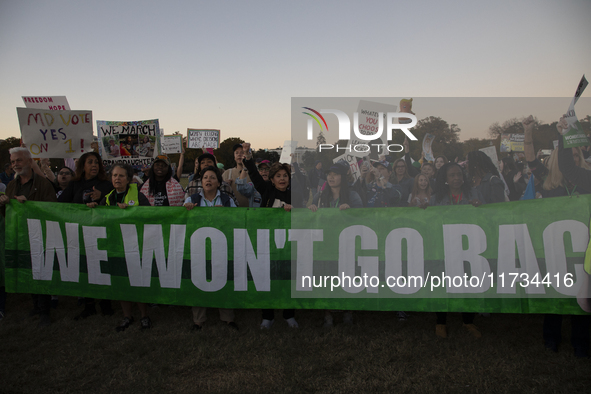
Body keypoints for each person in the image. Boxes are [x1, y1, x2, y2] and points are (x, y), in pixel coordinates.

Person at [87, 163, 152, 330]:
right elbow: (99, 218)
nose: (117, 179)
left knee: (137, 281)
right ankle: (127, 316)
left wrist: (130, 212)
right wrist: (94, 208)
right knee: (122, 281)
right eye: (115, 175)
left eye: (121, 176)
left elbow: (150, 216)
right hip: (115, 245)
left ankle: (144, 316)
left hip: (135, 244)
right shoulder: (108, 197)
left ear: (128, 179)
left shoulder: (138, 196)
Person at [0, 147, 57, 327]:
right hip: (20, 235)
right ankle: (36, 306)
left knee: (41, 271)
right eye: (13, 161)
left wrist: (30, 205)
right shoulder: (11, 185)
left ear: (29, 161)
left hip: (39, 234)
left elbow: (51, 209)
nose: (16, 164)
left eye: (19, 160)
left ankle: (45, 310)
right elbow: (6, 214)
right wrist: (3, 204)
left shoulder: (42, 183)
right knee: (29, 270)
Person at [242, 143, 297, 329]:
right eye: (278, 176)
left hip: (288, 244)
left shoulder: (295, 195)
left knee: (288, 279)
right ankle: (268, 316)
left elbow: (303, 216)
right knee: (267, 279)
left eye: (285, 176)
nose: (282, 179)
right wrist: (248, 157)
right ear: (272, 180)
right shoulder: (266, 190)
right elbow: (254, 175)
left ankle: (289, 314)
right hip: (267, 242)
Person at [427, 162, 483, 338]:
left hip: (468, 245)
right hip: (445, 244)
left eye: (459, 174)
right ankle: (441, 322)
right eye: (452, 175)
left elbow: (487, 214)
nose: (457, 178)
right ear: (445, 178)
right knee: (443, 284)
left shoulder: (472, 193)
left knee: (468, 282)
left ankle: (468, 321)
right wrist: (423, 209)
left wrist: (479, 207)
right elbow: (430, 219)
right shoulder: (437, 198)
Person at [58, 151, 115, 319]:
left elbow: (114, 205)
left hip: (101, 234)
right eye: (90, 162)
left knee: (103, 268)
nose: (95, 165)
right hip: (79, 233)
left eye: (97, 162)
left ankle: (106, 302)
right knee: (85, 268)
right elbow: (60, 205)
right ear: (82, 166)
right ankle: (89, 305)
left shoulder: (105, 184)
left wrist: (102, 197)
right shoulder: (75, 184)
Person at [184, 166, 238, 331]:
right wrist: (187, 211)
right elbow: (181, 220)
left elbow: (236, 220)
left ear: (218, 182)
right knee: (199, 280)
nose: (208, 180)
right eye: (205, 177)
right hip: (199, 247)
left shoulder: (227, 201)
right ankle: (198, 320)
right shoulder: (191, 199)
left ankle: (228, 318)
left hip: (222, 247)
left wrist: (226, 214)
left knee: (223, 279)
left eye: (212, 177)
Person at [309, 163, 362, 326]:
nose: (331, 177)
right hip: (326, 244)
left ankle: (348, 312)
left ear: (342, 177)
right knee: (327, 278)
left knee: (347, 278)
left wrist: (351, 211)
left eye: (335, 174)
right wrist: (310, 209)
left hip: (347, 244)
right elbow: (311, 219)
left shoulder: (353, 196)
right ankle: (328, 314)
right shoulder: (319, 196)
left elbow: (362, 218)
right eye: (329, 174)